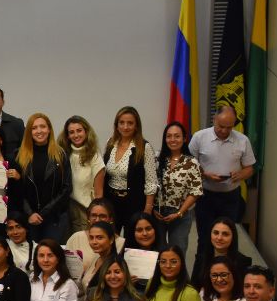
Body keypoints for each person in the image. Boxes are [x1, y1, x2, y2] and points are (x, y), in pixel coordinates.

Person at [188, 104, 257, 266]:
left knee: (227, 239)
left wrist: (240, 175)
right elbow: (188, 166)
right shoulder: (199, 137)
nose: (225, 131)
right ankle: (201, 276)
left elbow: (250, 169)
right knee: (205, 239)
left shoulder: (242, 140)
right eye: (221, 126)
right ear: (214, 120)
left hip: (230, 197)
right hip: (205, 196)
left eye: (229, 127)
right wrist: (205, 174)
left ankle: (227, 274)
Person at [100, 107, 158, 237]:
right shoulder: (110, 143)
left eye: (130, 123)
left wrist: (147, 210)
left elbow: (151, 182)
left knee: (132, 240)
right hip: (111, 202)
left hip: (134, 203)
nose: (125, 127)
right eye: (122, 122)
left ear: (136, 126)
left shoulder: (144, 147)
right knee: (110, 238)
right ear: (116, 125)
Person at [14, 113, 72, 243]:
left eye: (43, 126)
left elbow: (66, 188)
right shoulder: (18, 155)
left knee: (52, 253)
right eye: (34, 128)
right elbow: (16, 189)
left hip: (54, 218)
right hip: (28, 218)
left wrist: (43, 213)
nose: (39, 131)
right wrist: (30, 213)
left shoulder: (61, 154)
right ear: (29, 132)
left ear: (49, 129)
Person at [155, 121, 202, 255]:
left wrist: (179, 213)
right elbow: (149, 183)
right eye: (169, 136)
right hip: (158, 213)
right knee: (157, 252)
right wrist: (152, 208)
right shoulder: (157, 158)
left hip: (181, 214)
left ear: (184, 139)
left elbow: (195, 191)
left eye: (177, 136)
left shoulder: (191, 162)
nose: (173, 140)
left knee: (177, 252)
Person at [59, 115, 106, 235]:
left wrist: (95, 217)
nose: (76, 135)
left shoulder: (94, 156)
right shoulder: (64, 154)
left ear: (86, 131)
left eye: (79, 130)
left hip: (86, 211)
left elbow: (99, 194)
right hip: (67, 209)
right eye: (71, 132)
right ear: (67, 135)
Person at [192, 218, 253, 289]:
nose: (219, 238)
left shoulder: (243, 262)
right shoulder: (201, 258)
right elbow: (194, 287)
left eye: (225, 234)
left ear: (233, 237)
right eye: (216, 233)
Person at [121, 213, 163, 293]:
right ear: (132, 233)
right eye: (139, 230)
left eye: (148, 229)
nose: (145, 233)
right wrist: (126, 284)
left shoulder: (166, 254)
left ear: (155, 230)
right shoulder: (123, 257)